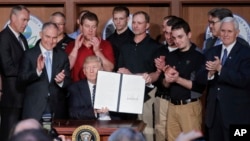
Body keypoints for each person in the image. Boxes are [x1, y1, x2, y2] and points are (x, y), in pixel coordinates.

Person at [198, 17, 250, 141]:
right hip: (214, 116)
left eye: (229, 31)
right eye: (223, 31)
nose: (225, 34)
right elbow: (199, 78)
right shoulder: (211, 52)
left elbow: (244, 80)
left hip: (238, 117)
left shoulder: (246, 53)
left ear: (237, 33)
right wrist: (209, 73)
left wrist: (221, 69)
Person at [118, 11, 162, 141]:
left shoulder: (155, 47)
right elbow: (120, 69)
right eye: (134, 22)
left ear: (147, 25)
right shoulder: (125, 46)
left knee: (147, 132)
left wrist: (140, 76)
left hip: (146, 95)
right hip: (126, 96)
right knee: (127, 132)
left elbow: (157, 73)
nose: (136, 26)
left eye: (140, 23)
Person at [162, 19, 206, 141]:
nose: (177, 41)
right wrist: (167, 80)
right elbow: (165, 85)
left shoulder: (198, 57)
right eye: (174, 38)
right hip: (172, 106)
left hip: (189, 107)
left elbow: (199, 87)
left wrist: (177, 79)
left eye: (180, 37)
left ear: (189, 35)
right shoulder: (171, 56)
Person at [17, 22, 71, 121]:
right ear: (41, 35)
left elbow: (68, 81)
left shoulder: (62, 56)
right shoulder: (29, 55)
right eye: (48, 37)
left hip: (57, 110)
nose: (51, 41)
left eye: (54, 37)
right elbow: (21, 79)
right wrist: (37, 71)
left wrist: (61, 81)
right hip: (34, 110)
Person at [0, 5, 30, 141]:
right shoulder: (3, 38)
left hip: (24, 99)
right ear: (13, 18)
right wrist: (31, 72)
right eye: (24, 20)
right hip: (11, 100)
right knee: (9, 137)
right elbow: (8, 68)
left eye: (27, 20)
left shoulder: (22, 38)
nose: (26, 23)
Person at [152, 15, 180, 141]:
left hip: (179, 101)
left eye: (171, 34)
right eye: (166, 33)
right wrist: (158, 72)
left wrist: (165, 69)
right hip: (162, 99)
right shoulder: (159, 50)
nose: (168, 37)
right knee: (160, 134)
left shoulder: (185, 51)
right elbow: (155, 77)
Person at [65, 11, 114, 82]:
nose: (90, 30)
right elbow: (66, 68)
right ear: (81, 27)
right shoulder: (71, 45)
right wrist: (75, 49)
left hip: (98, 87)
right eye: (87, 26)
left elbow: (109, 69)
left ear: (96, 27)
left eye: (93, 27)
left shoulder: (106, 45)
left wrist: (97, 51)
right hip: (76, 89)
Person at [68, 56, 111, 120]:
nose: (91, 71)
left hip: (111, 124)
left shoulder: (110, 86)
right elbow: (73, 112)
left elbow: (120, 113)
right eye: (88, 68)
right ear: (84, 71)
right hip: (87, 126)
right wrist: (95, 112)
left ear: (101, 69)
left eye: (94, 67)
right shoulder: (75, 88)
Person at [106, 6, 134, 71]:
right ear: (113, 19)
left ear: (127, 19)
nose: (118, 22)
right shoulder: (109, 40)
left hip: (129, 76)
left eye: (121, 19)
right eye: (115, 19)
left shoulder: (134, 39)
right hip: (112, 75)